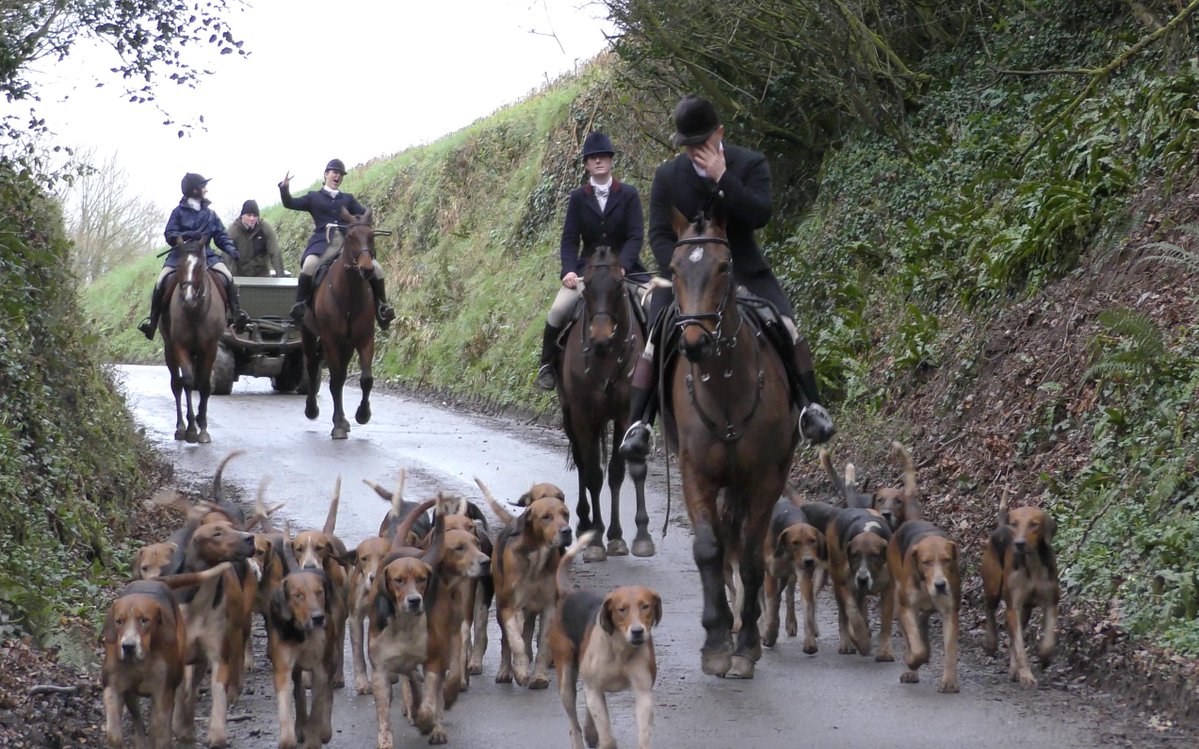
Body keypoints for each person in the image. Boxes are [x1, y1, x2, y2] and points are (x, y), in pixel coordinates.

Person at [618, 94, 835, 460]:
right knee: (654, 338)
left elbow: (760, 214)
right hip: (685, 279)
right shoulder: (667, 176)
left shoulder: (749, 164)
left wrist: (723, 177)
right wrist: (681, 270)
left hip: (744, 269)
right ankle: (640, 425)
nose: (694, 152)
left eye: (701, 143)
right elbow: (658, 233)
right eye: (688, 146)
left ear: (719, 133)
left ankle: (810, 408)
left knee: (786, 324)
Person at [535, 131, 648, 390]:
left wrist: (624, 265)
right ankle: (547, 365)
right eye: (593, 158)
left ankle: (659, 365)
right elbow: (570, 239)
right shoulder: (578, 197)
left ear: (610, 161)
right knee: (558, 310)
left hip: (624, 271)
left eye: (603, 157)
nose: (599, 161)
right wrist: (567, 270)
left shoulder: (628, 194)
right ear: (586, 164)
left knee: (653, 305)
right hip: (588, 272)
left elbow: (635, 235)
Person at [278, 158, 395, 328]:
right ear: (326, 174)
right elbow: (290, 203)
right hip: (323, 243)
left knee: (376, 268)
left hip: (348, 244)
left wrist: (361, 221)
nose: (338, 176)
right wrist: (284, 188)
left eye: (340, 174)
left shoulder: (348, 199)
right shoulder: (313, 197)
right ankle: (301, 305)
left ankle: (382, 307)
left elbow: (363, 214)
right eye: (335, 172)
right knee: (309, 265)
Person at [136, 173, 248, 340]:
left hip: (206, 255)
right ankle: (152, 321)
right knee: (160, 282)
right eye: (203, 187)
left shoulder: (211, 214)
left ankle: (237, 313)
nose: (206, 190)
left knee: (228, 277)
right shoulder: (178, 212)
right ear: (195, 190)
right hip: (179, 256)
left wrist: (230, 248)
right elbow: (169, 233)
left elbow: (221, 236)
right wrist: (188, 234)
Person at [225, 199, 284, 277]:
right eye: (249, 215)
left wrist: (281, 276)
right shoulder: (233, 231)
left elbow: (275, 252)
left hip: (262, 276)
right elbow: (225, 255)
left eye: (255, 215)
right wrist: (226, 278)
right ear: (242, 215)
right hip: (239, 277)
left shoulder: (265, 228)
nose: (252, 219)